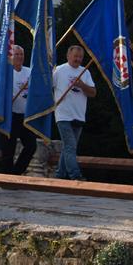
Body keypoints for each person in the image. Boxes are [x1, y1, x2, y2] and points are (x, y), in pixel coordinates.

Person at [52, 45, 96, 180]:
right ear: (68, 56)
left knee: (68, 147)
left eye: (80, 57)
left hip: (78, 115)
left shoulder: (85, 72)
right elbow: (49, 87)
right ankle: (75, 175)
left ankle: (59, 175)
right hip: (63, 114)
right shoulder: (59, 70)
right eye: (75, 56)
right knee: (71, 146)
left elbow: (93, 93)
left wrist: (82, 85)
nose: (78, 59)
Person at [0, 45, 37, 175]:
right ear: (11, 56)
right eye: (17, 54)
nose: (20, 57)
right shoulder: (7, 72)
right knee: (9, 147)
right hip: (11, 115)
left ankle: (16, 173)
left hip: (26, 116)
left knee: (31, 146)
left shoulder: (30, 72)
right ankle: (7, 176)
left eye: (21, 54)